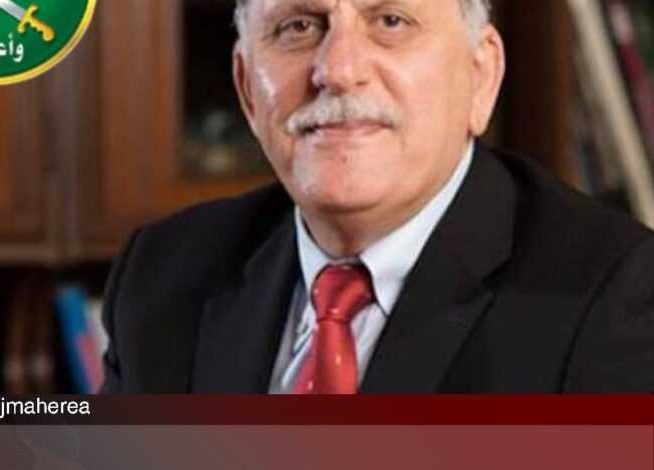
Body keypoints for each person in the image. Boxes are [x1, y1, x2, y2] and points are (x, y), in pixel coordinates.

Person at [100, 0, 654, 393]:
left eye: (391, 21)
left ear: (480, 75)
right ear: (247, 89)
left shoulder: (614, 297)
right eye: (298, 26)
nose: (338, 70)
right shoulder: (162, 277)